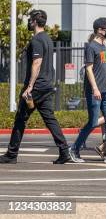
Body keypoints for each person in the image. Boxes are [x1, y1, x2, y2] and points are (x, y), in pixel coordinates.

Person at [1, 10, 71, 165]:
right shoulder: (47, 39)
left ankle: (11, 154)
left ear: (34, 21)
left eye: (30, 20)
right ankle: (64, 151)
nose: (28, 22)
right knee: (50, 120)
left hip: (36, 88)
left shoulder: (37, 40)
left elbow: (37, 63)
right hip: (46, 85)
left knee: (20, 119)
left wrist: (30, 87)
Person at [69, 18, 106, 164]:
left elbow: (104, 69)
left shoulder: (103, 47)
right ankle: (74, 149)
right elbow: (88, 68)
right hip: (95, 91)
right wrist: (95, 88)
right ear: (99, 30)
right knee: (93, 122)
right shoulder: (91, 47)